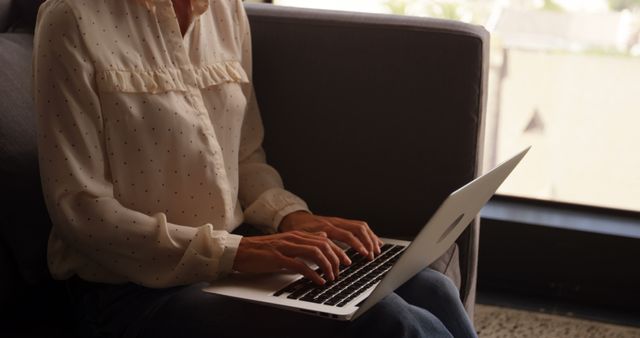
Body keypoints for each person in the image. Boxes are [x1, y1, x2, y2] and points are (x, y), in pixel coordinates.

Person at [33, 0, 477, 337]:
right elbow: (82, 212)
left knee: (428, 286)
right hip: (129, 290)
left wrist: (294, 218)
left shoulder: (227, 11)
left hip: (232, 262)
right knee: (386, 320)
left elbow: (244, 158)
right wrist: (239, 254)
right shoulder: (71, 19)